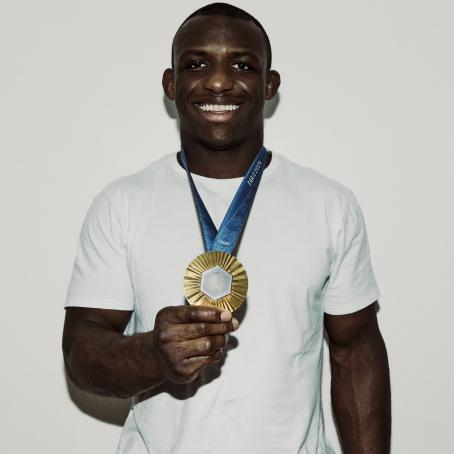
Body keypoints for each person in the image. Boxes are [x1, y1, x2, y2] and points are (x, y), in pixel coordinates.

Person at [62, 3, 391, 453]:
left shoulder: (329, 204)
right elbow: (80, 353)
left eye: (242, 65)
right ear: (171, 84)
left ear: (270, 84)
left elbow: (355, 351)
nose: (218, 81)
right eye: (197, 64)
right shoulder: (122, 203)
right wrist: (152, 355)